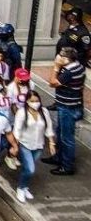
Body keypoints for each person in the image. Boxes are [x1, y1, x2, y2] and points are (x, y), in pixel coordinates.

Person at [45, 46, 85, 176]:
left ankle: (67, 166)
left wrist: (56, 67)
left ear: (66, 59)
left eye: (60, 55)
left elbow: (52, 82)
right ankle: (58, 157)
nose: (58, 57)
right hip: (69, 104)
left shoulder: (69, 72)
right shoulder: (78, 66)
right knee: (60, 132)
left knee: (66, 138)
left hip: (67, 107)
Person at [12, 90, 56, 202]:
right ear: (27, 101)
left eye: (37, 101)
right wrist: (15, 146)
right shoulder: (22, 112)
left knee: (27, 168)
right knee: (30, 169)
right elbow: (17, 130)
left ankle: (25, 187)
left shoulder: (44, 111)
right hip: (25, 145)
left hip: (39, 145)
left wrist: (51, 143)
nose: (35, 103)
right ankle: (20, 188)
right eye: (32, 101)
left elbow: (49, 127)